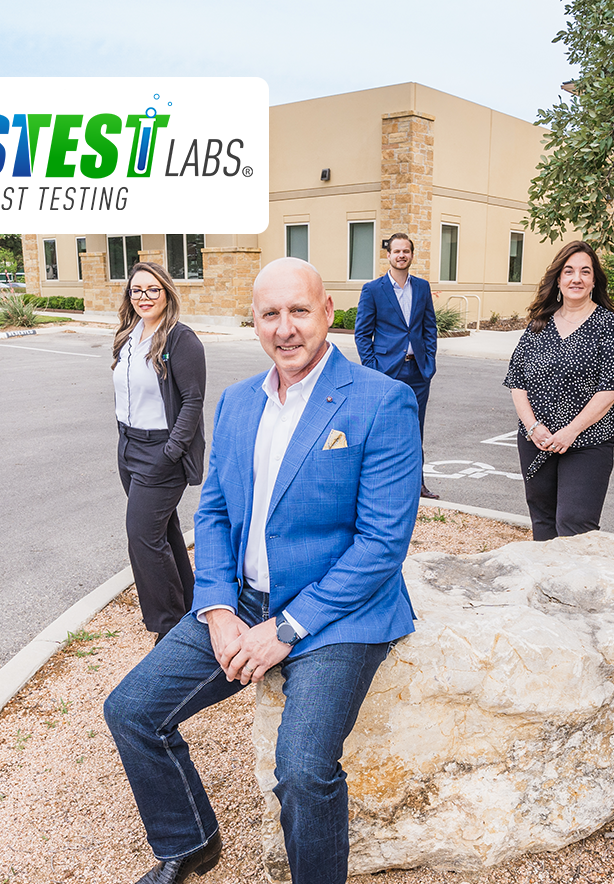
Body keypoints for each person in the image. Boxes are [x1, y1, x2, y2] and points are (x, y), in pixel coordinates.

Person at [103, 257, 420, 884]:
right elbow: (215, 513)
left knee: (302, 769)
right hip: (242, 601)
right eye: (270, 314)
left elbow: (382, 543)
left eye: (299, 310)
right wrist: (217, 608)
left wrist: (286, 629)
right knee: (132, 711)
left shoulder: (383, 402)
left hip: (338, 616)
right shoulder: (238, 401)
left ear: (328, 312)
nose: (286, 328)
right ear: (254, 321)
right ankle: (189, 841)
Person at [504, 240, 614, 541]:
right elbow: (516, 380)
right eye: (568, 271)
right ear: (558, 279)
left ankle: (576, 589)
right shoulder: (538, 325)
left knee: (575, 526)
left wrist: (571, 431)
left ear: (594, 280)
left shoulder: (609, 326)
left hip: (587, 442)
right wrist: (532, 427)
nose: (576, 278)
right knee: (542, 521)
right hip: (536, 441)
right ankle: (546, 585)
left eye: (584, 271)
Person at [110, 261, 206, 640]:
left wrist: (171, 450)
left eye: (153, 290)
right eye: (137, 290)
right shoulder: (127, 336)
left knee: (142, 537)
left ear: (167, 293)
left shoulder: (181, 340)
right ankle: (192, 608)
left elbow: (193, 401)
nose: (144, 297)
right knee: (162, 531)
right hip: (128, 446)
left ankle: (168, 629)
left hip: (160, 450)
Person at [355, 231, 439, 498]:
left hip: (418, 371)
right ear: (388, 255)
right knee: (384, 428)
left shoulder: (422, 287)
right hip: (387, 372)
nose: (401, 255)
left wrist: (430, 362)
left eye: (406, 251)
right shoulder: (373, 290)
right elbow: (362, 333)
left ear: (411, 255)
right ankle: (384, 486)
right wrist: (373, 369)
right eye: (397, 251)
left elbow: (429, 327)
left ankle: (418, 484)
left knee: (416, 428)